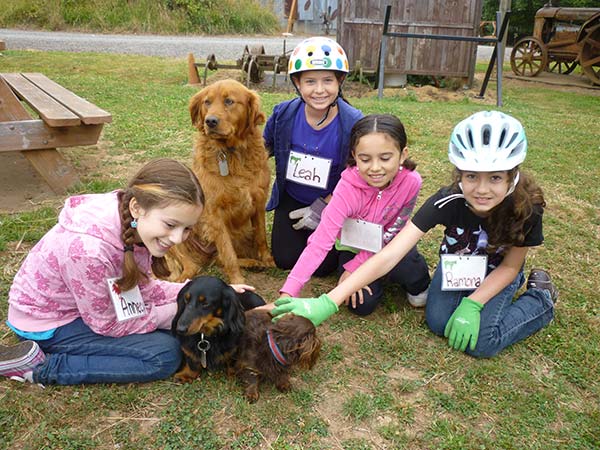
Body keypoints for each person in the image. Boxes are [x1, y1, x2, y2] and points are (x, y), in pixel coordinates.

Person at [271, 111, 558, 358]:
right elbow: (392, 252)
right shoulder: (446, 200)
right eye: (471, 176)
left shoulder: (528, 207)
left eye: (495, 177)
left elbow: (510, 265)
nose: (482, 189)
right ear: (459, 173)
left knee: (482, 343)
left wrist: (473, 303)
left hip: (500, 270)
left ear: (512, 174)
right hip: (457, 267)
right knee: (437, 322)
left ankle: (540, 299)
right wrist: (328, 301)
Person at [0, 158, 254, 385]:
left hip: (88, 307)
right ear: (136, 207)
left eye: (187, 229)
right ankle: (42, 366)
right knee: (164, 355)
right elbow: (107, 323)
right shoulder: (88, 250)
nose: (178, 238)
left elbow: (143, 289)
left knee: (173, 332)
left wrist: (213, 295)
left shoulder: (134, 226)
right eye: (171, 224)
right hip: (50, 323)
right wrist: (178, 312)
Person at [279, 114, 430, 315]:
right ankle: (376, 277)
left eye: (385, 158)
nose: (375, 168)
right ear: (354, 155)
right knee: (362, 304)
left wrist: (354, 269)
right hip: (355, 247)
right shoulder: (346, 189)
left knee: (409, 268)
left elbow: (395, 228)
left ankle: (418, 283)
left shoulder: (412, 182)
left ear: (403, 154)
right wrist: (288, 293)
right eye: (365, 159)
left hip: (391, 242)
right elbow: (320, 242)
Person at [264, 36, 363, 275]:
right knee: (285, 259)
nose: (319, 90)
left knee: (323, 267)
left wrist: (324, 206)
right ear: (297, 83)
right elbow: (263, 147)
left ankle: (352, 248)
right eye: (310, 81)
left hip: (331, 200)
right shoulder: (283, 113)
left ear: (340, 81)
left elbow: (359, 173)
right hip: (292, 195)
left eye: (328, 80)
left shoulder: (353, 122)